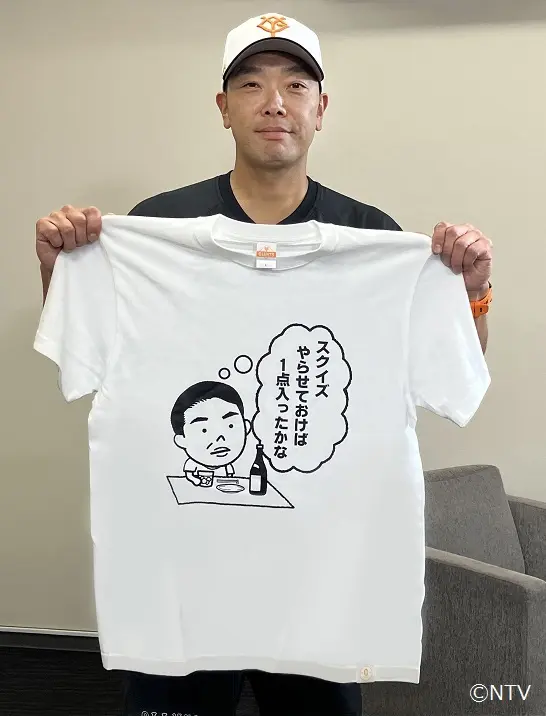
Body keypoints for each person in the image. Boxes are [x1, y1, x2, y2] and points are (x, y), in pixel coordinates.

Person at [34, 11, 493, 716]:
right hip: (183, 583)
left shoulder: (374, 239)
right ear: (223, 107)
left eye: (295, 85)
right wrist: (62, 270)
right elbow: (88, 354)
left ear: (321, 108)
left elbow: (451, 378)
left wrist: (471, 295)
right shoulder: (153, 229)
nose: (274, 102)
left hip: (321, 590)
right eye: (250, 84)